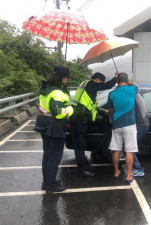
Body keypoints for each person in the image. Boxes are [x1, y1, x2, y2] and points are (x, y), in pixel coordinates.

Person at [70, 71, 118, 176]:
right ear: (97, 80)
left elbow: (91, 105)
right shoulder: (90, 84)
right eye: (100, 82)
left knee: (80, 144)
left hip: (76, 116)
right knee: (79, 145)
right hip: (79, 119)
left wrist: (104, 111)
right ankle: (82, 170)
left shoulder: (85, 85)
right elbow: (106, 86)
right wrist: (115, 78)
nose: (100, 85)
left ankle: (84, 165)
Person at [35, 66, 73, 194]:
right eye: (67, 78)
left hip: (44, 124)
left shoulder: (46, 89)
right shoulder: (57, 93)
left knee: (47, 154)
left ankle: (47, 182)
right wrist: (70, 110)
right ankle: (51, 185)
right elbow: (58, 113)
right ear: (62, 78)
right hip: (54, 127)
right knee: (55, 156)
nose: (67, 80)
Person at [107, 72, 138, 184]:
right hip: (129, 124)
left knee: (116, 149)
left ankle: (116, 171)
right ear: (127, 80)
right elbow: (135, 85)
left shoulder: (111, 94)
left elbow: (110, 111)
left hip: (116, 124)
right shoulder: (132, 89)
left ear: (117, 81)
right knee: (129, 150)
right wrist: (128, 81)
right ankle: (129, 176)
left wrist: (110, 113)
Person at [132, 93, 149, 177]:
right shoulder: (136, 94)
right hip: (142, 124)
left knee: (129, 147)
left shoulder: (134, 95)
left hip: (141, 125)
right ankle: (133, 165)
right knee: (130, 146)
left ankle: (139, 169)